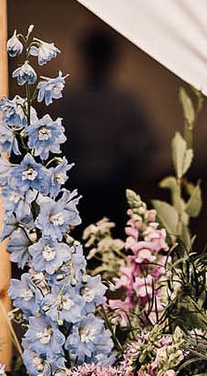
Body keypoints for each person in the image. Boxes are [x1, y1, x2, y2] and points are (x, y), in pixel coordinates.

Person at [60, 28, 155, 229]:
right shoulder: (70, 101)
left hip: (115, 186)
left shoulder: (124, 101)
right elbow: (58, 147)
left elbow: (148, 143)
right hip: (79, 187)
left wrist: (128, 155)